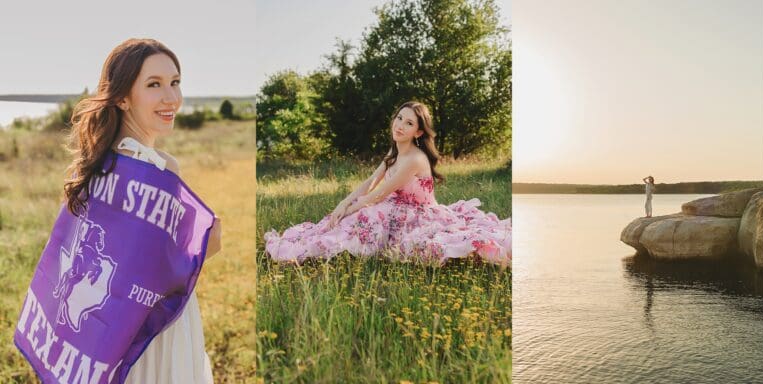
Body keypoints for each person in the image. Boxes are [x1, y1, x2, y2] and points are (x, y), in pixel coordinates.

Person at [65, 38, 221, 383]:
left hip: (114, 331)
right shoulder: (152, 168)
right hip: (151, 330)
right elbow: (157, 270)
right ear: (122, 97)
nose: (172, 99)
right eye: (154, 85)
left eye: (175, 83)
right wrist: (210, 239)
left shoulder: (104, 163)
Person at [264, 101, 511, 265]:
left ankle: (336, 246)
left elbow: (379, 194)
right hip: (396, 205)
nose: (400, 126)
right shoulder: (394, 153)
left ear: (419, 132)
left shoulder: (414, 159)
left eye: (409, 123)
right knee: (355, 214)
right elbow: (370, 183)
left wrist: (351, 210)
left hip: (419, 214)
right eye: (399, 118)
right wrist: (342, 204)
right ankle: (326, 239)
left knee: (367, 215)